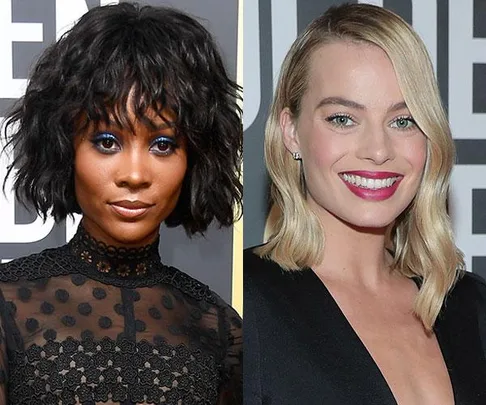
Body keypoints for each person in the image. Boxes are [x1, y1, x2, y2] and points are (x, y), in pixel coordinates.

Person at [0, 3, 242, 404]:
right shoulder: (8, 305)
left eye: (163, 144)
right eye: (107, 141)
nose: (134, 174)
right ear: (66, 148)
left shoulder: (219, 329)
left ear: (194, 157)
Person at [244, 3, 486, 405]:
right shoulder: (240, 305)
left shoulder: (470, 305)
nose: (377, 150)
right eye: (342, 118)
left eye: (403, 121)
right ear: (291, 132)